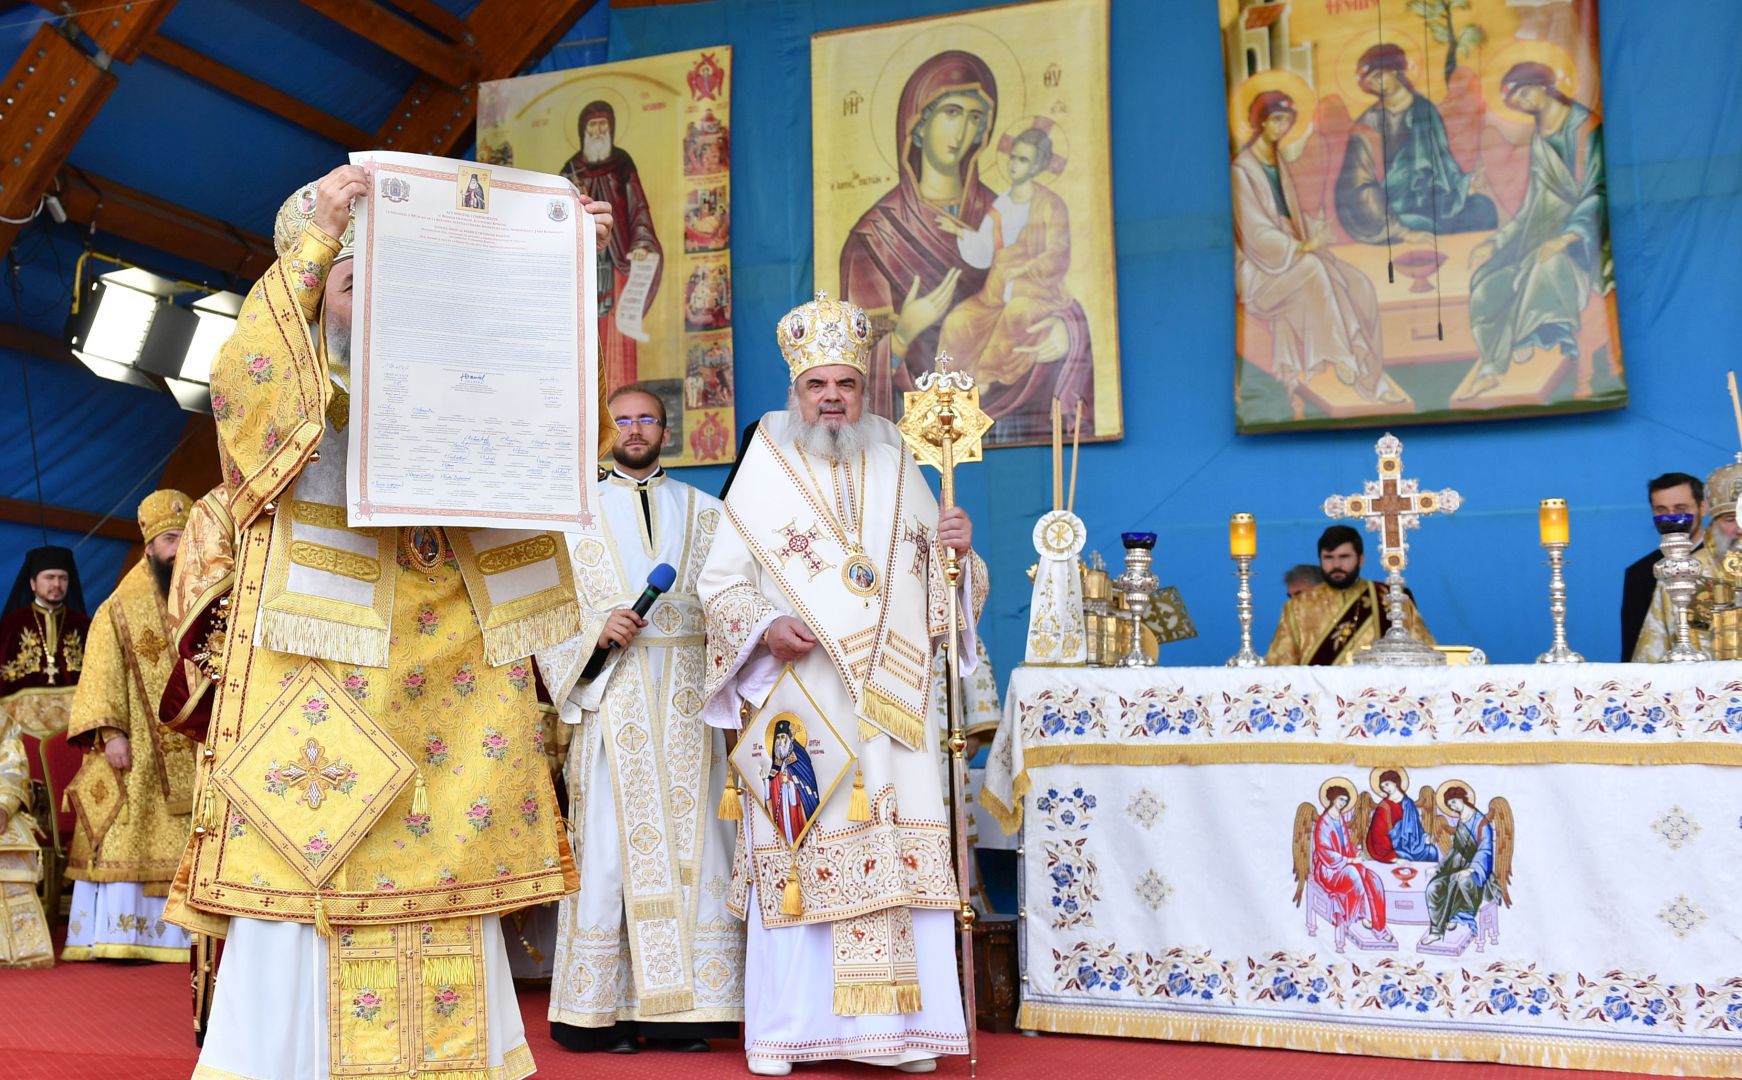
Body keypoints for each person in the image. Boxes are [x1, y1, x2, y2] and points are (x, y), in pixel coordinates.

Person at [171, 169, 617, 1080]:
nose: (370, 300)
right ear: (310, 294)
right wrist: (317, 240)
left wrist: (572, 268)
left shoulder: (453, 379)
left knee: (448, 880)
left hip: (455, 666)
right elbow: (247, 393)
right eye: (348, 282)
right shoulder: (289, 381)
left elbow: (554, 412)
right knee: (308, 870)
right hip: (319, 662)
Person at [698, 292, 984, 1075]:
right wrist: (764, 626)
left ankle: (901, 1037)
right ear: (796, 390)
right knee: (801, 857)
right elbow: (719, 586)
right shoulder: (764, 462)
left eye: (845, 385)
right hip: (805, 700)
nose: (832, 397)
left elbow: (941, 589)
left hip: (893, 707)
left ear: (865, 389)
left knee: (899, 861)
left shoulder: (897, 458)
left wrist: (960, 555)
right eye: (817, 384)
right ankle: (786, 1033)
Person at [542, 384, 743, 1055]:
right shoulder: (573, 517)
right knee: (608, 853)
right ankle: (600, 1015)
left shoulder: (709, 511)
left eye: (646, 419)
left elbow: (734, 602)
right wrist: (593, 633)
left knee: (698, 851)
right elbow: (545, 612)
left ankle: (684, 1014)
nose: (634, 429)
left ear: (665, 429)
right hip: (615, 698)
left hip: (689, 703)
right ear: (607, 430)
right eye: (622, 420)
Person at [839, 49, 1094, 445]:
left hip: (1006, 419)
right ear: (917, 124)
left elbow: (1055, 285)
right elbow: (846, 370)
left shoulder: (1005, 210)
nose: (962, 130)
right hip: (914, 433)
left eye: (975, 118)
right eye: (951, 112)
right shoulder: (874, 238)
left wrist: (1067, 333)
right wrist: (903, 333)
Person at [62, 489, 196, 963]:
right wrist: (112, 734)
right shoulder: (119, 606)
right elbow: (99, 676)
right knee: (132, 827)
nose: (179, 550)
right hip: (138, 745)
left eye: (186, 539)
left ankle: (188, 933)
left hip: (195, 744)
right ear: (150, 546)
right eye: (171, 540)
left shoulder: (202, 596)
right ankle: (127, 934)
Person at [1232, 91, 1404, 412]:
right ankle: (1344, 357)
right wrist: (1302, 246)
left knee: (1359, 285)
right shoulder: (1241, 171)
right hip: (1260, 273)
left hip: (1291, 258)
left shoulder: (1277, 162)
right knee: (1314, 269)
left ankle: (1372, 375)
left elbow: (1291, 219)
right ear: (1260, 122)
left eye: (1287, 121)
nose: (1282, 127)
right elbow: (1257, 235)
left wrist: (1317, 231)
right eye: (1276, 119)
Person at [1462, 63, 1609, 402]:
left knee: (1543, 268)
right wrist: (1496, 241)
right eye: (1516, 101)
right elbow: (1533, 204)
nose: (1523, 102)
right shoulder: (1539, 138)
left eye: (1525, 93)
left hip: (1582, 242)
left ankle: (1523, 344)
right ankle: (1493, 366)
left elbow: (1598, 191)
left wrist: (1566, 237)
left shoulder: (1586, 129)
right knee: (1487, 281)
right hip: (1540, 234)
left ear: (1544, 85)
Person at [936, 123, 1085, 391]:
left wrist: (1026, 268)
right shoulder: (1001, 204)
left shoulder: (1051, 205)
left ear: (1038, 166)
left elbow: (1058, 253)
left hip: (1036, 292)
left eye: (1023, 160)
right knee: (957, 321)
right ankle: (949, 391)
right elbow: (985, 250)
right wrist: (958, 231)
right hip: (994, 293)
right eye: (1013, 157)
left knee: (1016, 313)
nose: (1014, 165)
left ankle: (984, 378)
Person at [1334, 43, 1497, 246]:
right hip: (1391, 210)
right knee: (1425, 227)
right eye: (1370, 81)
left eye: (1379, 75)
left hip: (1432, 199)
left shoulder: (1424, 109)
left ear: (1395, 70)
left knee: (1483, 209)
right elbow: (1359, 186)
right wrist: (1402, 231)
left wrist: (1465, 186)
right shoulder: (1366, 126)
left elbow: (1443, 160)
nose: (1375, 83)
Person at [563, 101, 663, 392]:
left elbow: (638, 207)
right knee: (586, 332)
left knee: (618, 334)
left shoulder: (622, 164)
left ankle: (621, 397)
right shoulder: (570, 170)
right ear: (583, 130)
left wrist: (641, 242)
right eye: (593, 125)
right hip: (584, 270)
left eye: (602, 125)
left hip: (619, 262)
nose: (598, 131)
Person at [1265, 525, 1434, 665]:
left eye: (1344, 557)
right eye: (1328, 557)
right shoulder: (1297, 607)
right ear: (1320, 560)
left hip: (1377, 693)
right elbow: (1280, 668)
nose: (1336, 564)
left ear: (1361, 559)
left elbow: (1424, 656)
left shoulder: (1391, 598)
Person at [1634, 463, 1739, 662]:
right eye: (1730, 518)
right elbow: (1652, 655)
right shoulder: (1689, 571)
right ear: (1716, 521)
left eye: (1681, 508)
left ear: (1702, 508)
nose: (1740, 528)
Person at [0, 545, 90, 738]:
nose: (57, 584)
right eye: (49, 577)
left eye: (63, 578)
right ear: (33, 583)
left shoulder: (84, 626)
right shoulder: (10, 626)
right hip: (23, 734)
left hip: (75, 732)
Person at [1621, 473, 1704, 661]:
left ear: (1702, 507)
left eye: (1681, 508)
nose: (1671, 517)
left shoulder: (1723, 561)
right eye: (1662, 510)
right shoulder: (1641, 573)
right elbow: (1633, 651)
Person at [1421, 785, 1503, 946]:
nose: (1452, 807)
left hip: (1478, 870)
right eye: (1449, 805)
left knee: (1462, 881)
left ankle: (1458, 916)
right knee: (1433, 887)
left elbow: (1485, 850)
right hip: (1456, 865)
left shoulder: (1481, 822)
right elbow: (1455, 850)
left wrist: (1471, 869)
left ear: (1462, 798)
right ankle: (1435, 930)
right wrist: (1439, 867)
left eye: (1453, 802)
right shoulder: (1461, 821)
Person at [1311, 783, 1391, 943]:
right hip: (1329, 869)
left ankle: (1377, 925)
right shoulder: (1323, 822)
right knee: (1354, 876)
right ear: (1333, 798)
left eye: (1345, 801)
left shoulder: (1339, 818)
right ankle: (1352, 919)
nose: (1343, 803)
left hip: (1344, 864)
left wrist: (1356, 853)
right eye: (1340, 799)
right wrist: (1350, 860)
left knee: (1374, 879)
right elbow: (1325, 852)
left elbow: (1345, 845)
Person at [1364, 769, 1440, 864]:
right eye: (1383, 787)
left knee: (1432, 851)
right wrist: (1392, 857)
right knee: (1406, 858)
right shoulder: (1383, 807)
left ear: (1395, 782)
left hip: (1413, 845)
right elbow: (1378, 835)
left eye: (1387, 784)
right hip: (1395, 848)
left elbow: (1416, 827)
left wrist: (1424, 837)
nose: (1385, 789)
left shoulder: (1409, 803)